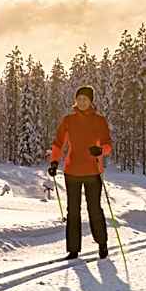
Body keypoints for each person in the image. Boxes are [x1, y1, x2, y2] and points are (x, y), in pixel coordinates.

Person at [48, 85, 113, 260]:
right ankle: (73, 249)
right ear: (75, 100)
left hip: (93, 171)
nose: (82, 102)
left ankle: (102, 243)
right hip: (72, 171)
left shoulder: (99, 121)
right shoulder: (68, 120)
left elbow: (108, 145)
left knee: (94, 209)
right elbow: (58, 143)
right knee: (73, 211)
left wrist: (100, 150)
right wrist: (54, 161)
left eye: (85, 99)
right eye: (79, 98)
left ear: (91, 101)